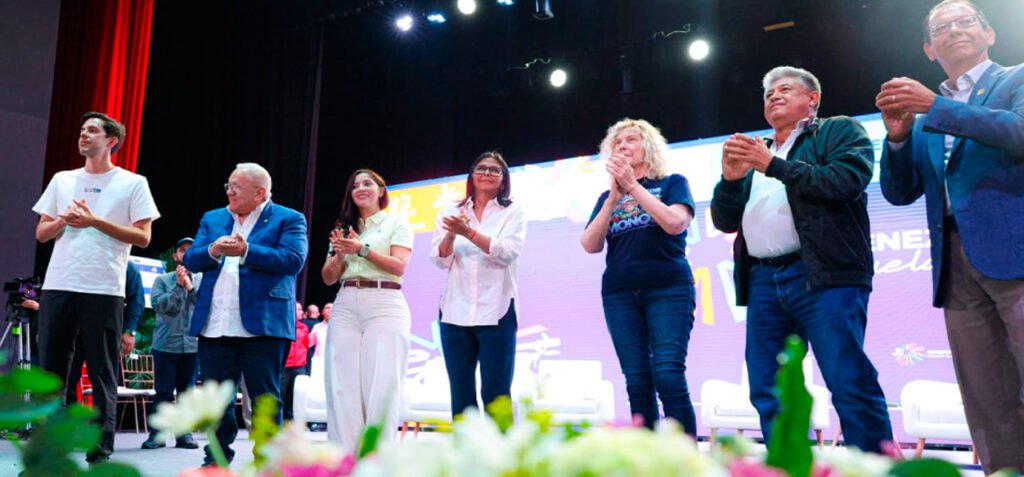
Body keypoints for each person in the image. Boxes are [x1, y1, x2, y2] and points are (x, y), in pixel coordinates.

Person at [709, 66, 892, 451]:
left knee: (847, 380)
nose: (774, 96)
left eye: (785, 89)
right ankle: (787, 466)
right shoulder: (758, 152)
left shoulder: (837, 130)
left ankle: (877, 466)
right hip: (763, 280)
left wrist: (772, 166)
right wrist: (729, 180)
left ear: (813, 99)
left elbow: (845, 182)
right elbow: (725, 221)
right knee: (767, 388)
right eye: (768, 94)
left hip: (823, 274)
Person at [876, 0, 1024, 471]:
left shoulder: (1015, 80)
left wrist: (934, 106)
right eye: (942, 27)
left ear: (990, 34)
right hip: (953, 265)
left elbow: (1019, 133)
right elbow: (899, 192)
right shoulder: (923, 118)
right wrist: (898, 138)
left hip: (1015, 252)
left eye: (965, 21)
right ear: (929, 48)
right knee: (985, 394)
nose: (955, 29)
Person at [32, 112, 160, 463]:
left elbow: (144, 237)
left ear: (111, 141)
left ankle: (100, 453)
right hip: (59, 284)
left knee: (102, 372)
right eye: (82, 130)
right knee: (52, 374)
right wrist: (63, 219)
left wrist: (94, 221)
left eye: (92, 131)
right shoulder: (63, 179)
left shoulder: (133, 182)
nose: (83, 135)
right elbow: (42, 233)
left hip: (104, 288)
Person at [183, 162, 308, 467]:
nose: (230, 191)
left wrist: (247, 251)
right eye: (228, 185)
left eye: (237, 186)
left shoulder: (288, 218)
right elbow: (192, 258)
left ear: (260, 192)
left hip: (263, 324)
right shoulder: (213, 218)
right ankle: (215, 460)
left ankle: (268, 462)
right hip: (215, 324)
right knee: (215, 401)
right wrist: (213, 250)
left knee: (266, 399)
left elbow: (293, 260)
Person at [580, 119, 697, 434]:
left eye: (631, 139)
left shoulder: (672, 183)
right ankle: (646, 453)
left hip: (668, 288)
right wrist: (613, 198)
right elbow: (590, 244)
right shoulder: (607, 198)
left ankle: (683, 452)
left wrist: (633, 187)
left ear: (649, 146)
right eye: (617, 143)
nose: (623, 146)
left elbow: (675, 223)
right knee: (637, 379)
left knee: (668, 373)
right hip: (620, 294)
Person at [321, 169, 413, 452]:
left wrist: (362, 250)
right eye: (355, 185)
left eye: (367, 184)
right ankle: (344, 459)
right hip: (346, 301)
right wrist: (340, 255)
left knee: (382, 385)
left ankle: (377, 459)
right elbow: (328, 278)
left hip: (385, 301)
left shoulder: (396, 223)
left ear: (381, 191)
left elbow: (399, 266)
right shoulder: (343, 229)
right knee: (341, 383)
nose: (360, 188)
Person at [430, 151, 526, 418]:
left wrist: (469, 233)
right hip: (454, 312)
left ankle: (502, 446)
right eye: (481, 168)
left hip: (497, 311)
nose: (487, 173)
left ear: (503, 179)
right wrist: (452, 234)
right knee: (461, 393)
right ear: (471, 175)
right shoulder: (451, 212)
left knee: (497, 393)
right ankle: (465, 445)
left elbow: (506, 253)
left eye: (495, 170)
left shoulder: (513, 211)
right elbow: (439, 260)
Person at [142, 237, 201, 450]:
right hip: (165, 344)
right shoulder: (162, 280)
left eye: (191, 250)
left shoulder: (202, 279)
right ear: (175, 256)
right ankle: (157, 435)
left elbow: (203, 306)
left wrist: (190, 287)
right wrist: (178, 286)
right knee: (163, 392)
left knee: (187, 393)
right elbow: (161, 307)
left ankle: (184, 435)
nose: (186, 253)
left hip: (192, 345)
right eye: (182, 250)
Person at [282, 319, 310, 421]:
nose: (298, 312)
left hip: (299, 365)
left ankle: (292, 418)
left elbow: (306, 344)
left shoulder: (303, 327)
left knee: (296, 394)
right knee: (282, 392)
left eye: (299, 310)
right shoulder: (284, 324)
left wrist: (302, 358)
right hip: (285, 365)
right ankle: (280, 418)